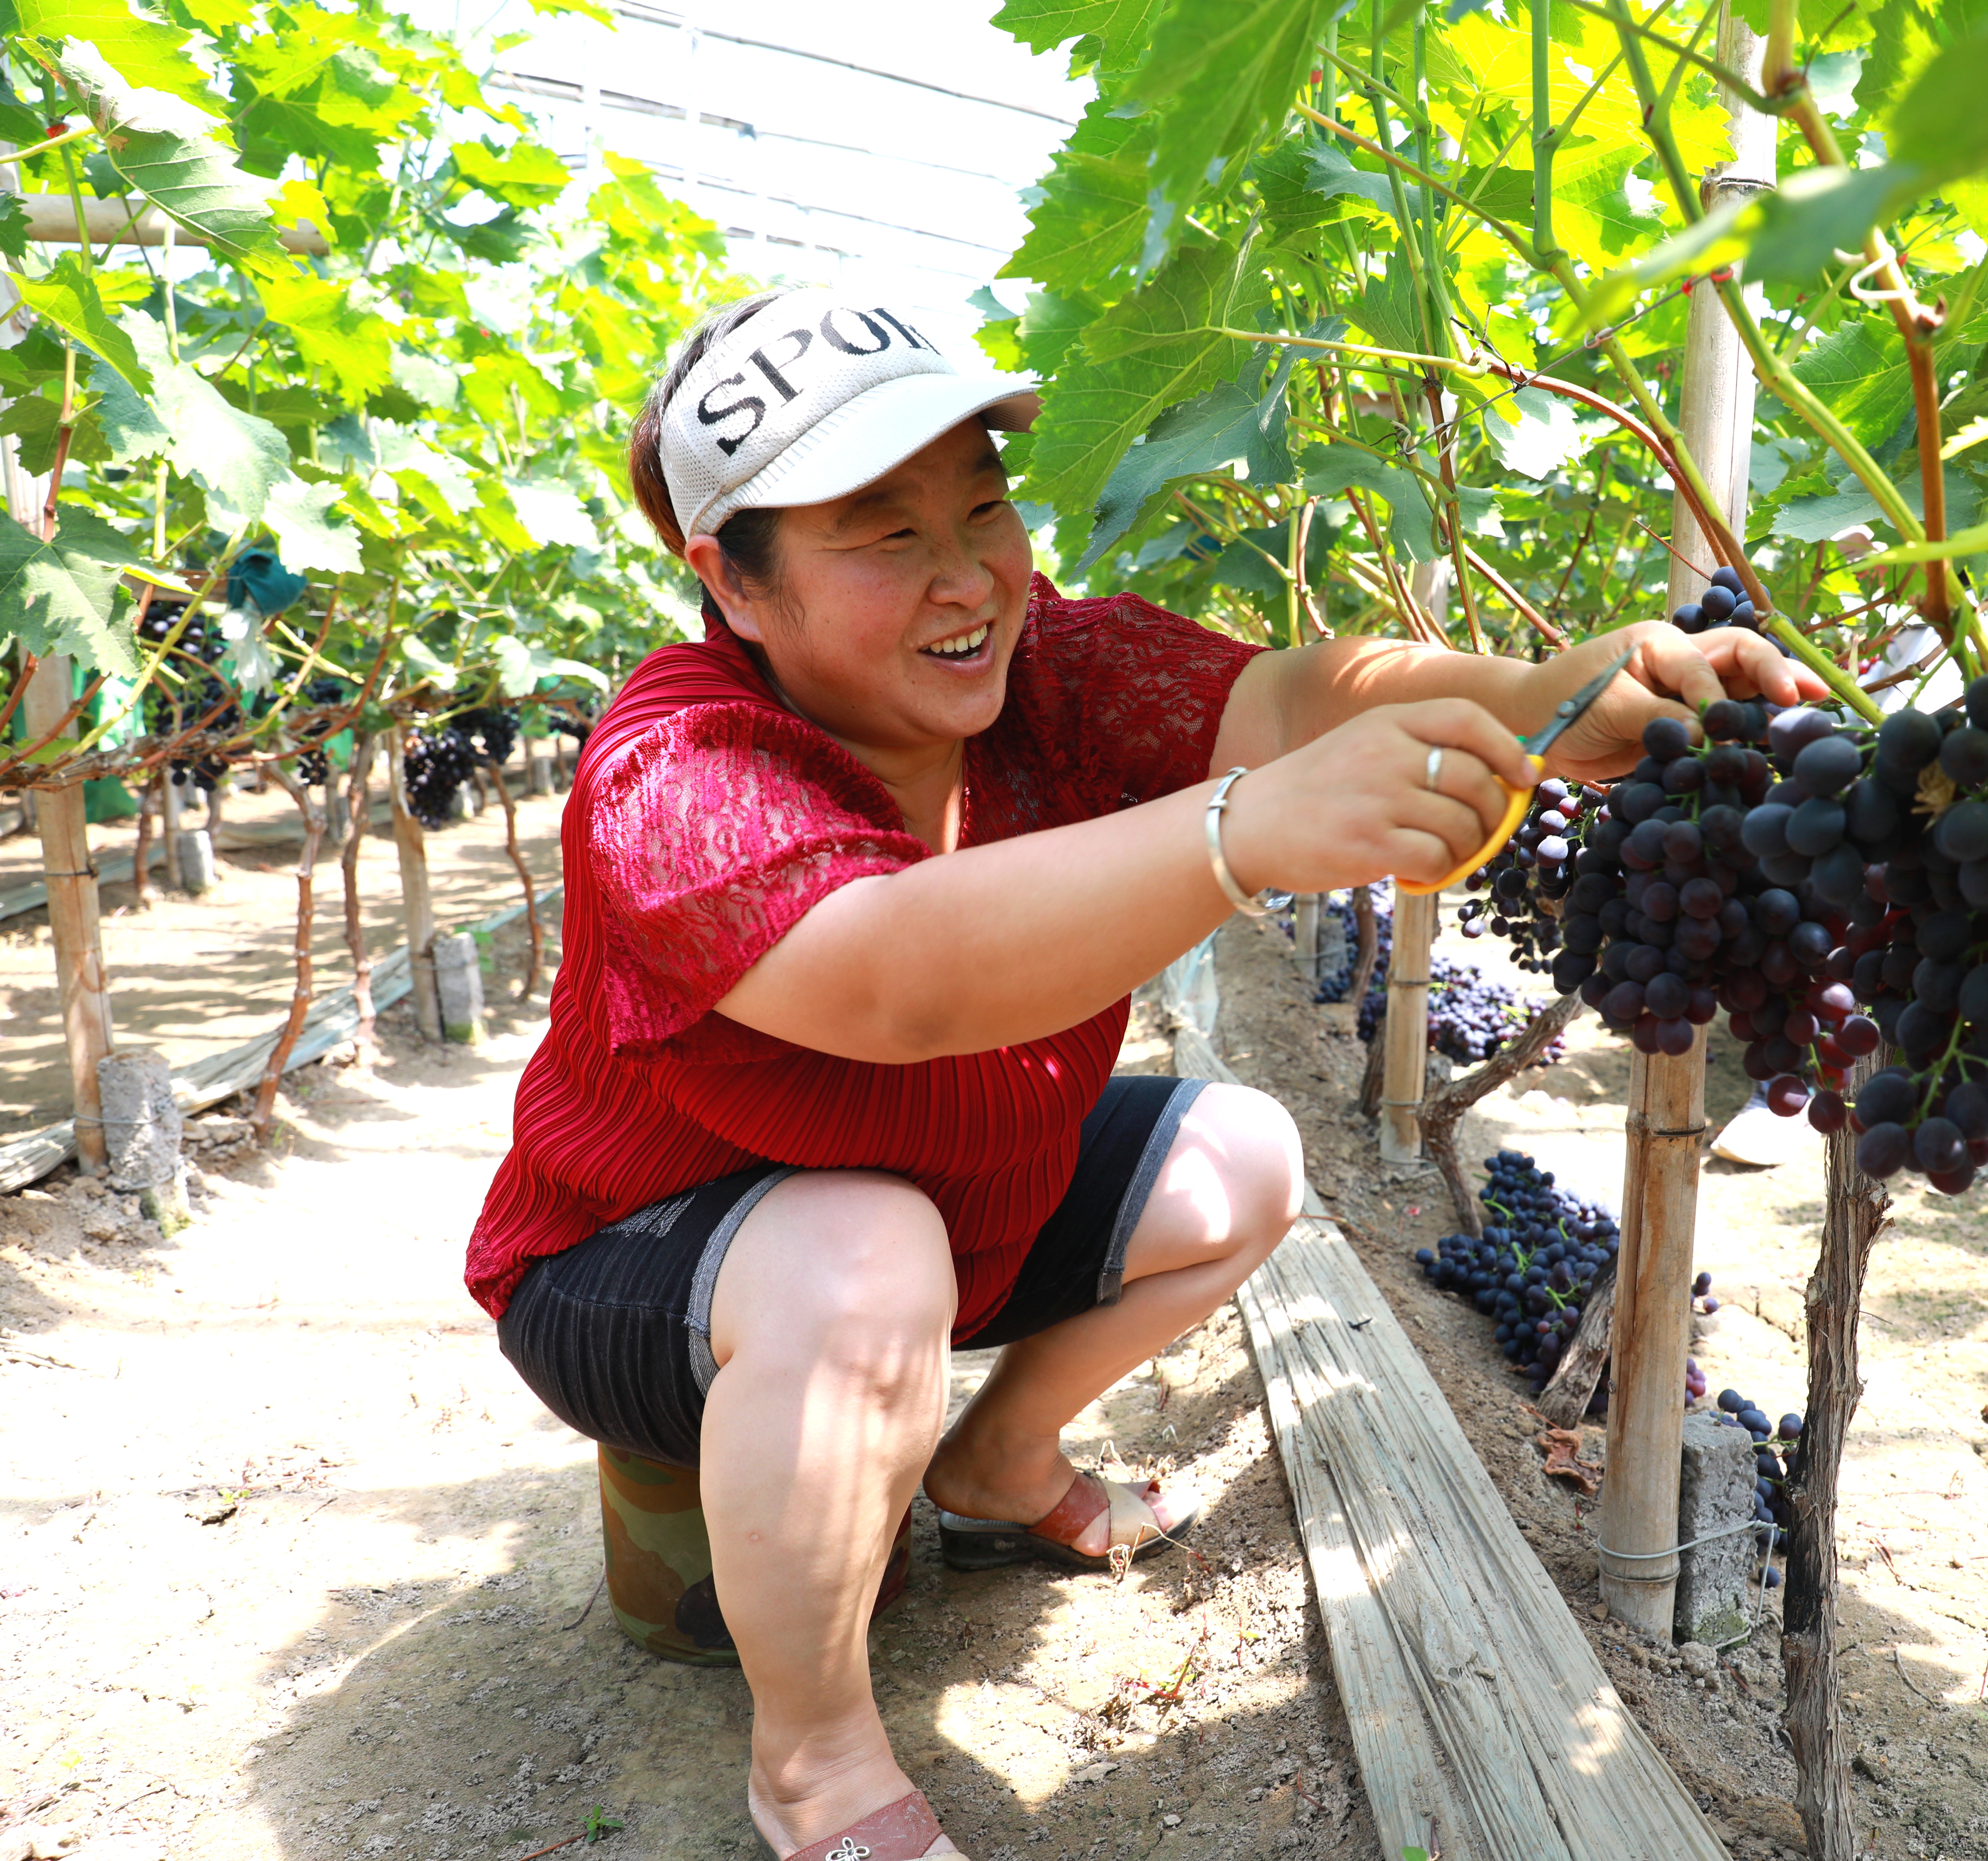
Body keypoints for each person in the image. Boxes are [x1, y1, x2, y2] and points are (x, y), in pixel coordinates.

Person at [463, 288, 1827, 1861]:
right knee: (859, 1256)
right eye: (882, 535)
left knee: (1239, 1158)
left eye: (983, 505)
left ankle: (989, 1464)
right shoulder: (677, 765)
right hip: (636, 1266)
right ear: (732, 581)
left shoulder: (1057, 670)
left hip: (946, 1205)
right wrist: (1237, 833)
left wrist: (1535, 696)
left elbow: (1297, 694)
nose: (969, 573)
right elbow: (896, 974)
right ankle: (814, 1764)